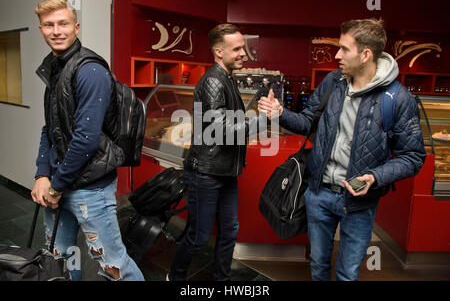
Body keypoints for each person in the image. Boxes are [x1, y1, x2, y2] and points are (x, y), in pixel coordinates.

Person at [258, 19, 426, 281]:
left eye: (344, 49)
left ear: (365, 54)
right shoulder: (333, 82)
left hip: (359, 202)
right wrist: (280, 113)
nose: (336, 55)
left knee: (347, 273)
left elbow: (413, 157)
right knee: (318, 266)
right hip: (318, 194)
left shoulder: (398, 98)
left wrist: (375, 177)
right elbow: (307, 122)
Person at [30, 0, 144, 281]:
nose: (56, 31)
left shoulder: (90, 70)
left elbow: (86, 139)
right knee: (60, 262)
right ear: (41, 29)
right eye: (49, 25)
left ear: (76, 27)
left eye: (63, 24)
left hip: (90, 188)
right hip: (59, 181)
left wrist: (55, 186)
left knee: (115, 267)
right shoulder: (54, 70)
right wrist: (42, 174)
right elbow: (50, 129)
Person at [168, 23, 258, 281]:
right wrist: (264, 120)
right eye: (237, 48)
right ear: (219, 52)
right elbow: (223, 130)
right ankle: (175, 277)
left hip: (225, 171)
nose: (244, 53)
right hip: (205, 173)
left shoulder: (226, 77)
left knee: (229, 230)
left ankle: (221, 279)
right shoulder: (214, 82)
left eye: (244, 47)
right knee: (199, 237)